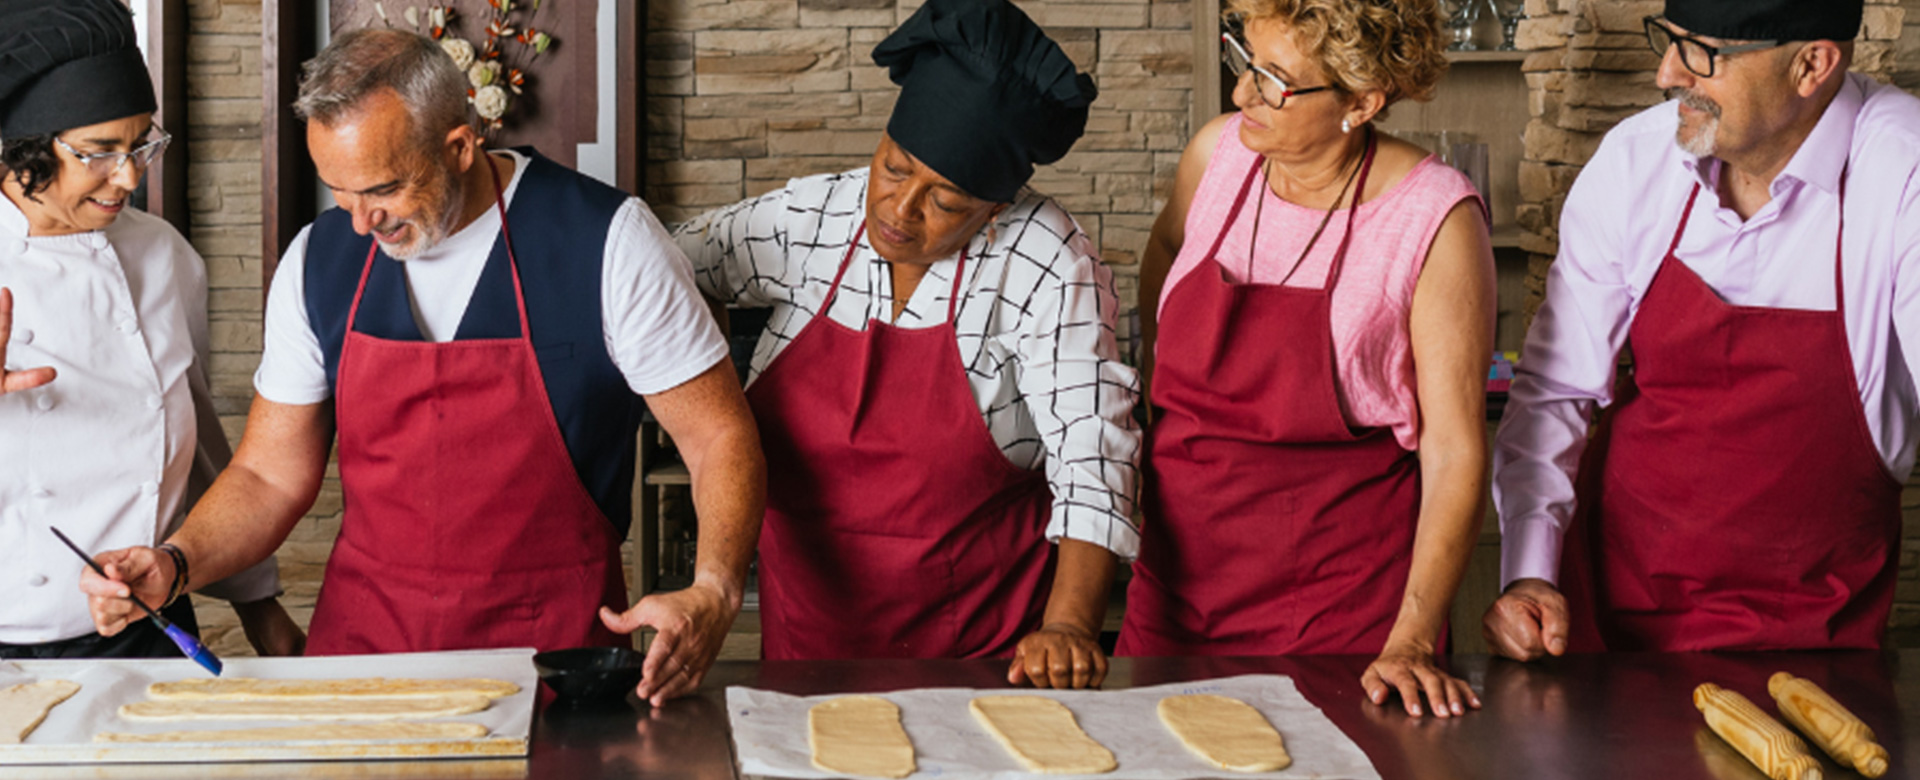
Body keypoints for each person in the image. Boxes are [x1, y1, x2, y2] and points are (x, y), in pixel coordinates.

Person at [81, 28, 765, 706]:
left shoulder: (608, 241)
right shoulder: (317, 260)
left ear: (460, 147)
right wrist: (174, 563)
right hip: (363, 661)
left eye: (380, 189)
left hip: (554, 663)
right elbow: (267, 473)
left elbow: (718, 437)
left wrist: (714, 588)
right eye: (338, 193)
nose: (357, 224)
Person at [674, 0, 1140, 689]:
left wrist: (1069, 625)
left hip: (980, 657)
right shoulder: (817, 216)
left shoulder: (1046, 258)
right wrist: (704, 383)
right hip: (804, 637)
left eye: (946, 202)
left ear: (995, 209)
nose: (899, 210)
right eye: (894, 169)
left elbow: (1090, 457)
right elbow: (662, 267)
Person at [1484, 0, 1920, 658]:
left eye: (1702, 55)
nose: (1666, 75)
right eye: (1669, 41)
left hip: (1817, 630)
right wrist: (1529, 573)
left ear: (1812, 65)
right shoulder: (1635, 159)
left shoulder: (1904, 169)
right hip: (1605, 612)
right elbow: (1554, 389)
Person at [1116, 0, 1493, 719]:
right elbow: (1164, 254)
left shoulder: (1433, 218)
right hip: (1175, 590)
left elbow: (1453, 451)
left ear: (1362, 100)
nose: (1240, 95)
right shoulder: (1217, 155)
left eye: (1273, 79)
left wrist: (1411, 636)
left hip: (1341, 615)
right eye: (1242, 59)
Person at [0, 0, 302, 659]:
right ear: (22, 148)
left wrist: (260, 605)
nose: (131, 176)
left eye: (142, 143)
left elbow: (192, 438)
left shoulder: (163, 256)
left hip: (152, 628)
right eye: (100, 152)